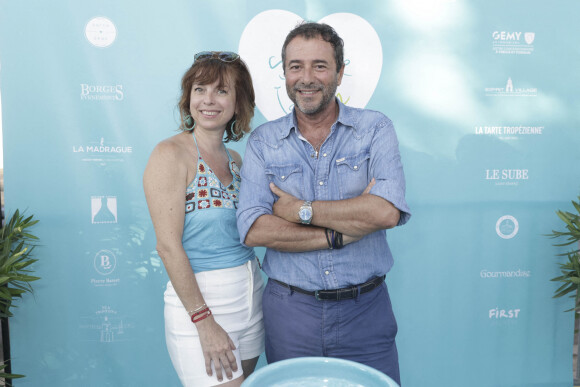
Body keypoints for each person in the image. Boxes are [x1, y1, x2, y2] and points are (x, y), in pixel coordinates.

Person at [236, 22, 411, 385]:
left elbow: (385, 211)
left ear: (340, 73)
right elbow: (254, 229)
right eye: (295, 66)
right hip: (291, 314)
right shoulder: (263, 142)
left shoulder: (376, 129)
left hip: (366, 312)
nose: (307, 78)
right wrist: (340, 233)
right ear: (284, 73)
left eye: (320, 65)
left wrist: (302, 210)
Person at [143, 51, 264, 387]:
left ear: (239, 103)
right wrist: (204, 321)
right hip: (203, 303)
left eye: (222, 91)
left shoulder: (238, 160)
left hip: (252, 293)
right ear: (188, 98)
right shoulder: (170, 154)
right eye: (200, 89)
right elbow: (168, 247)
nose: (209, 100)